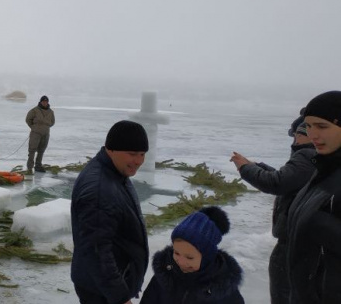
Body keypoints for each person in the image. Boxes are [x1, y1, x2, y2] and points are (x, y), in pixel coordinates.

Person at [229, 117, 315, 304]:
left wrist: (244, 167)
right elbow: (286, 179)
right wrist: (254, 166)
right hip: (306, 241)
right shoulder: (318, 158)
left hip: (292, 242)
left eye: (297, 135)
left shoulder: (307, 155)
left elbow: (276, 183)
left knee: (283, 294)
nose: (294, 140)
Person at [70, 120, 149, 304]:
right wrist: (120, 297)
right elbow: (97, 251)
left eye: (142, 154)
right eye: (132, 154)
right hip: (102, 290)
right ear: (111, 149)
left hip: (106, 284)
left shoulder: (114, 172)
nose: (138, 161)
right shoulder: (100, 190)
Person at [286, 91, 341, 304]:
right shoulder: (322, 169)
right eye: (308, 126)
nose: (313, 135)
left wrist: (322, 225)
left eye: (322, 126)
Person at [140, 206, 245, 304]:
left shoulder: (222, 288)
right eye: (176, 253)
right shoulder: (166, 273)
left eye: (189, 257)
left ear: (207, 257)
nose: (181, 262)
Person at [25, 95, 55, 173]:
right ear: (40, 102)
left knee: (41, 150)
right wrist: (34, 127)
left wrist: (45, 127)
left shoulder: (51, 112)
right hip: (35, 133)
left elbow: (52, 122)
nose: (45, 103)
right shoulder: (34, 110)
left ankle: (38, 166)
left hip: (46, 134)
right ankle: (29, 167)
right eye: (43, 101)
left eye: (46, 101)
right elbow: (28, 119)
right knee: (32, 150)